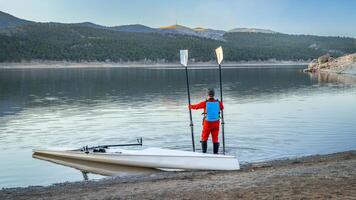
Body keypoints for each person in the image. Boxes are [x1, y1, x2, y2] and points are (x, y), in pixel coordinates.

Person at [189, 88, 224, 154]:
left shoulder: (205, 103)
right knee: (215, 138)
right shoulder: (219, 102)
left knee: (204, 137)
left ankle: (204, 153)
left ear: (207, 95)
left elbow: (196, 107)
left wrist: (190, 106)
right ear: (214, 95)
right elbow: (222, 108)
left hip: (207, 123)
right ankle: (215, 154)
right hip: (216, 123)